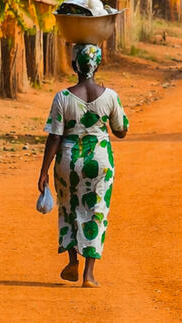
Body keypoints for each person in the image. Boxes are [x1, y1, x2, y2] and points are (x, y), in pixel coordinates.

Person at [38, 43, 128, 288]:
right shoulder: (110, 96)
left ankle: (72, 261)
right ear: (97, 65)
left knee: (69, 208)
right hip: (100, 162)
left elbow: (54, 136)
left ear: (73, 65)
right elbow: (121, 131)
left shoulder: (62, 98)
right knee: (96, 211)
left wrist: (44, 171)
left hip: (68, 161)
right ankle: (89, 274)